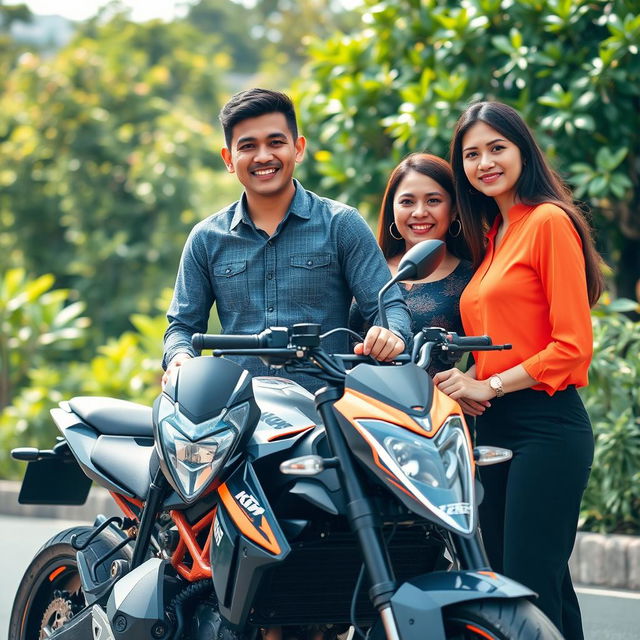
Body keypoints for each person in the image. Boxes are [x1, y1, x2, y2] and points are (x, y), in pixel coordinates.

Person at [434, 101, 603, 639]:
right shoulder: (491, 239)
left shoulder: (548, 222)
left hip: (547, 426)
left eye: (496, 148)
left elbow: (572, 347)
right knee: (526, 586)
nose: (485, 162)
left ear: (522, 150)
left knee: (527, 588)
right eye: (471, 154)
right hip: (495, 426)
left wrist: (489, 383)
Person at [162, 88, 411, 391]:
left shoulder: (341, 224)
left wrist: (391, 334)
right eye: (248, 146)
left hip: (326, 412)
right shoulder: (206, 238)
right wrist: (179, 356)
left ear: (298, 148)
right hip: (239, 411)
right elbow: (183, 327)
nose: (263, 156)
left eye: (276, 142)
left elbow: (388, 307)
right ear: (229, 158)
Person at [350, 153, 477, 380]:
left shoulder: (473, 276)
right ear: (393, 209)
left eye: (433, 201)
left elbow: (500, 345)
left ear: (455, 209)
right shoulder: (363, 266)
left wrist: (470, 380)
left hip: (430, 409)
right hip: (352, 406)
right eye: (407, 202)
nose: (419, 212)